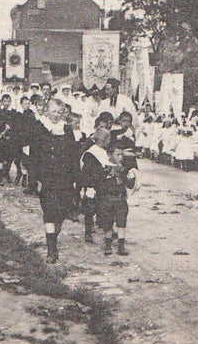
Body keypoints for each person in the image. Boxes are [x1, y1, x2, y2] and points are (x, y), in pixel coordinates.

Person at [27, 98, 79, 264]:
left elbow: (74, 156)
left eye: (59, 112)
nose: (56, 115)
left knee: (62, 212)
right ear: (46, 111)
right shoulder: (39, 129)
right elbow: (33, 157)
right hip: (47, 177)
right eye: (53, 111)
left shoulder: (67, 130)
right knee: (49, 211)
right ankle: (51, 249)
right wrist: (34, 180)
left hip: (65, 178)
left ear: (63, 113)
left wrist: (77, 178)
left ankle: (53, 238)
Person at [97, 138, 139, 256]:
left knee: (122, 222)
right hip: (107, 199)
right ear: (109, 154)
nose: (120, 157)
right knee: (108, 223)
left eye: (122, 155)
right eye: (118, 154)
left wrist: (131, 178)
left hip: (120, 199)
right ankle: (108, 245)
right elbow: (98, 183)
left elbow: (130, 185)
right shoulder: (103, 168)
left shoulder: (124, 169)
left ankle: (121, 246)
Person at [79, 115, 113, 243]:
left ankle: (105, 228)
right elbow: (88, 171)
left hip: (100, 185)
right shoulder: (91, 153)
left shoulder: (102, 152)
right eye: (107, 139)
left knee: (102, 207)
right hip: (91, 186)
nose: (109, 142)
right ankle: (88, 231)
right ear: (102, 140)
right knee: (90, 209)